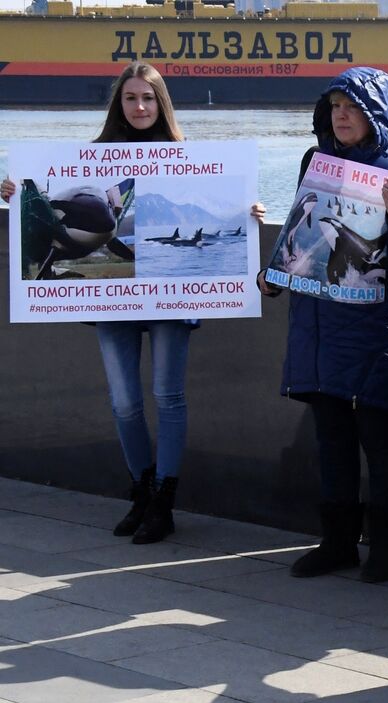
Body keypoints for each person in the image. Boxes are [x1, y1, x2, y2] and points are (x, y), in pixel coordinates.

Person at [2, 62, 264, 545]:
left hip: (168, 296)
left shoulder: (184, 155)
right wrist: (17, 195)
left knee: (168, 396)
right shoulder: (92, 157)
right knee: (124, 402)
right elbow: (45, 198)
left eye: (148, 98)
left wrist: (247, 209)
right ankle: (140, 491)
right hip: (114, 298)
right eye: (131, 98)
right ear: (118, 104)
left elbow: (218, 200)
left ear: (161, 104)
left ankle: (164, 499)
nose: (140, 106)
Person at [257, 67, 388, 583]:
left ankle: (387, 547)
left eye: (353, 107)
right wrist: (273, 276)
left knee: (378, 439)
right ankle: (336, 541)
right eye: (335, 105)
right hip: (317, 324)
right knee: (330, 438)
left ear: (376, 113)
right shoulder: (314, 162)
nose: (342, 115)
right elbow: (302, 235)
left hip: (375, 331)